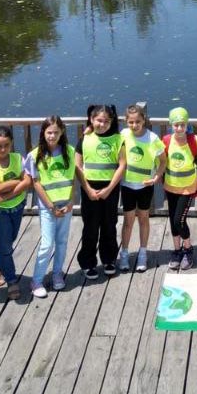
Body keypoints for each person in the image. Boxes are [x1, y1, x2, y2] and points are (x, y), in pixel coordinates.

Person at [25, 116, 78, 297]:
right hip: (48, 207)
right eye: (49, 132)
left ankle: (57, 275)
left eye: (56, 132)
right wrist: (50, 206)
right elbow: (36, 183)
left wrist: (71, 201)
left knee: (62, 242)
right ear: (43, 133)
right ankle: (37, 280)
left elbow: (72, 179)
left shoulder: (70, 151)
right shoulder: (35, 155)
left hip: (66, 206)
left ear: (62, 132)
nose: (52, 136)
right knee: (47, 244)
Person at [76, 105, 125, 281]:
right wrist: (88, 189)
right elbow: (77, 166)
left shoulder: (118, 139)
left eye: (106, 121)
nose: (102, 124)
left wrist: (109, 189)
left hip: (110, 189)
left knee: (109, 225)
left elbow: (122, 165)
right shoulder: (85, 138)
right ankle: (87, 262)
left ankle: (109, 259)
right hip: (89, 189)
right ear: (91, 119)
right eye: (98, 120)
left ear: (111, 122)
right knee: (90, 227)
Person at [0, 127, 30, 301]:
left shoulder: (18, 158)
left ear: (11, 144)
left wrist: (9, 193)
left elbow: (29, 181)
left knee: (10, 240)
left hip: (17, 206)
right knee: (6, 246)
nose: (3, 150)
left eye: (6, 145)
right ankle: (12, 280)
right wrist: (18, 180)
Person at [118, 103, 165, 272]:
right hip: (127, 185)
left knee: (143, 219)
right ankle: (124, 254)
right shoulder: (123, 135)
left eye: (137, 121)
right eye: (131, 122)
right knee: (128, 222)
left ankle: (143, 253)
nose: (134, 125)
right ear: (126, 122)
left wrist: (156, 178)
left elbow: (163, 162)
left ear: (143, 120)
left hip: (145, 186)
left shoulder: (152, 139)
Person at [162, 107, 197, 270]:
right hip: (170, 186)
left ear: (187, 125)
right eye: (176, 125)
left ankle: (188, 249)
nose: (179, 128)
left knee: (179, 220)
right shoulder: (165, 141)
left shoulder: (195, 141)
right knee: (173, 221)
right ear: (171, 125)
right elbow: (161, 160)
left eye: (182, 125)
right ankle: (177, 250)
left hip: (188, 187)